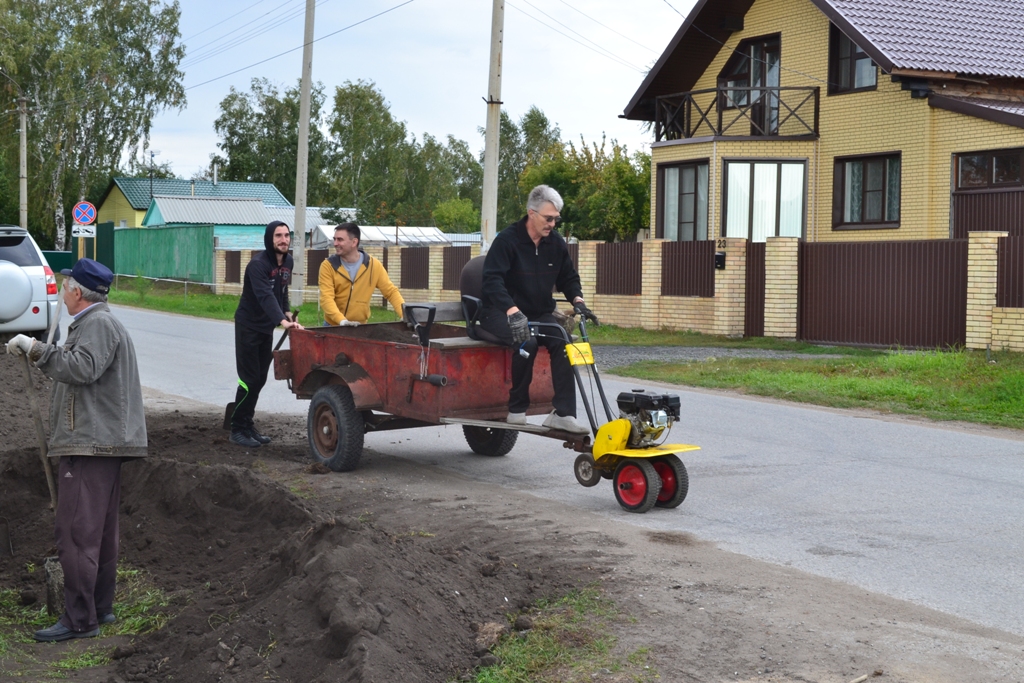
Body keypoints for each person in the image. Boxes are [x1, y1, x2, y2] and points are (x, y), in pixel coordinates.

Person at [5, 258, 147, 642]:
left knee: (76, 532)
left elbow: (82, 368)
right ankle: (99, 608)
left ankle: (80, 619)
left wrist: (36, 350)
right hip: (99, 442)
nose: (63, 291)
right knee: (98, 532)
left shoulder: (98, 324)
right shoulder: (97, 323)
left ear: (76, 292)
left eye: (66, 285)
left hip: (91, 444)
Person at [478, 185, 597, 435]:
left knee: (564, 342)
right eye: (549, 218)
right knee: (527, 342)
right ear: (531, 213)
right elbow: (491, 281)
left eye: (556, 219)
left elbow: (568, 277)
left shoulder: (555, 244)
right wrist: (511, 310)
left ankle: (563, 414)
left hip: (537, 312)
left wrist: (578, 301)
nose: (553, 224)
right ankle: (516, 409)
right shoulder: (507, 241)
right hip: (499, 312)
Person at [230, 220, 304, 448]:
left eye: (286, 235)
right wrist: (282, 321)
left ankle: (247, 424)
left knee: (259, 379)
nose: (283, 240)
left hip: (265, 328)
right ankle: (236, 429)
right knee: (248, 379)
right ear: (269, 239)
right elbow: (264, 296)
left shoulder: (288, 261)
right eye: (278, 236)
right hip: (248, 327)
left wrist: (288, 313)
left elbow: (280, 292)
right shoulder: (257, 265)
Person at [318, 222, 404, 325]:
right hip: (333, 326)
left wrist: (405, 315)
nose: (335, 243)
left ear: (354, 242)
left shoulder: (373, 265)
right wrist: (342, 321)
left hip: (360, 328)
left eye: (340, 239)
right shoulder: (328, 266)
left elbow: (391, 292)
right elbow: (326, 298)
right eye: (334, 239)